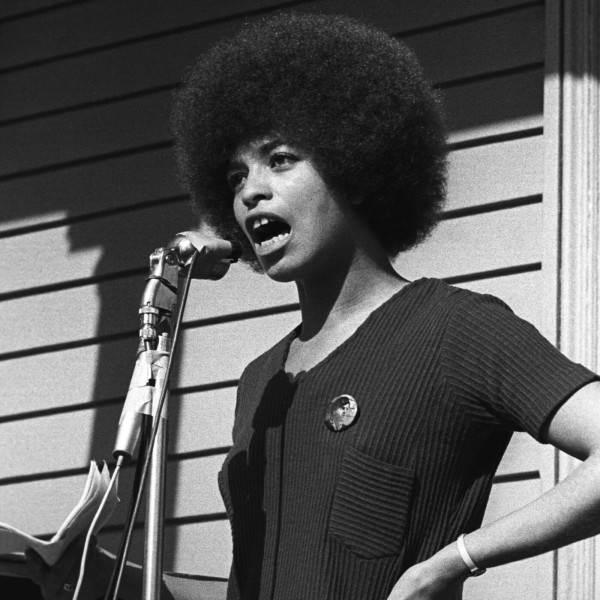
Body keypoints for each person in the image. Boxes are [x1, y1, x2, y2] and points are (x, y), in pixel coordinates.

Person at [26, 11, 600, 600]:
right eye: (235, 177)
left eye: (279, 160)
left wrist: (454, 561)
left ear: (356, 165)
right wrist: (110, 579)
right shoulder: (261, 384)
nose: (250, 191)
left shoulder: (456, 329)